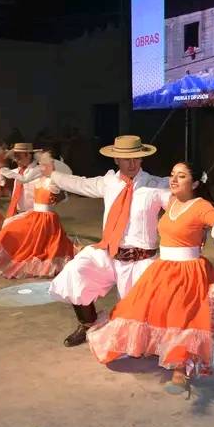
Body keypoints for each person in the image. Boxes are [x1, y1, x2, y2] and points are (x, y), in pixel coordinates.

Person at [86, 161, 214, 394]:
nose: (173, 180)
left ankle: (181, 369)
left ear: (194, 183)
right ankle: (152, 347)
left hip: (188, 272)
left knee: (183, 318)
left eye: (181, 176)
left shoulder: (200, 206)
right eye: (173, 175)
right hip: (163, 269)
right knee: (142, 310)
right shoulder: (171, 201)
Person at [41, 135, 170, 347]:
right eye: (126, 159)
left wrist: (192, 192)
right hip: (110, 253)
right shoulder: (109, 182)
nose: (132, 163)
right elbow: (80, 183)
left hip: (141, 262)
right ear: (116, 160)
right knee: (76, 271)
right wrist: (54, 174)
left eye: (136, 158)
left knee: (137, 320)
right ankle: (88, 323)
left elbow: (179, 203)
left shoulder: (155, 186)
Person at [0, 152, 75, 278]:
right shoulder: (38, 176)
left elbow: (64, 196)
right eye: (41, 163)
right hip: (33, 216)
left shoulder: (54, 180)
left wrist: (57, 197)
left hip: (46, 220)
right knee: (9, 231)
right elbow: (23, 178)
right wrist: (4, 170)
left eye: (45, 164)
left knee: (18, 237)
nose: (41, 166)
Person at [0, 143, 42, 217]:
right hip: (17, 213)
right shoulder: (17, 171)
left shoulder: (39, 170)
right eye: (15, 156)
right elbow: (5, 174)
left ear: (28, 155)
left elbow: (25, 179)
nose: (15, 159)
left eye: (18, 156)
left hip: (34, 214)